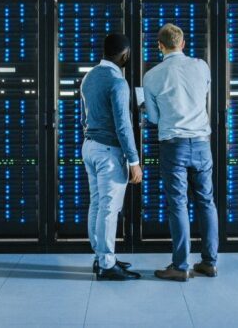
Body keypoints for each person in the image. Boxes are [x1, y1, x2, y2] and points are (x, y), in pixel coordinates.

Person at [143, 23, 219, 282]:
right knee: (206, 202)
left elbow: (153, 119)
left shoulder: (152, 76)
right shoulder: (201, 66)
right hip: (201, 143)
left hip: (173, 146)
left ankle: (181, 265)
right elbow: (203, 96)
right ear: (183, 43)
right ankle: (209, 263)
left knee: (178, 204)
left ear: (159, 46)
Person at [81, 33, 143, 281]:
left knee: (97, 204)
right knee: (109, 208)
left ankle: (101, 257)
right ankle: (107, 264)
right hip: (108, 152)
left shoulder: (89, 76)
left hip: (90, 147)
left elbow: (86, 117)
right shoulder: (118, 82)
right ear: (125, 54)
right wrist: (134, 161)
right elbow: (123, 125)